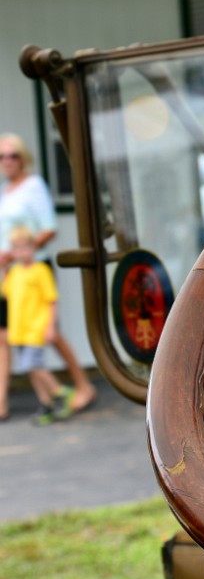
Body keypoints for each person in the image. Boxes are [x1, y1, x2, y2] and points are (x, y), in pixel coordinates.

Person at [0, 133, 95, 420]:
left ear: (23, 157)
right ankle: (2, 402)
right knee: (4, 335)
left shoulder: (33, 186)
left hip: (34, 269)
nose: (7, 161)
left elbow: (48, 227)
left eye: (12, 155)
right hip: (10, 276)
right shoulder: (5, 190)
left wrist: (22, 253)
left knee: (49, 332)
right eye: (1, 156)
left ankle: (83, 385)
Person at [2, 226, 75, 424]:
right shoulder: (14, 273)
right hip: (19, 331)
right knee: (31, 369)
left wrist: (50, 326)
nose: (22, 252)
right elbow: (6, 293)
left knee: (33, 364)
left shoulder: (41, 271)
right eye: (17, 248)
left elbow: (51, 300)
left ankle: (60, 391)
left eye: (26, 247)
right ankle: (46, 403)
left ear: (33, 248)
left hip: (35, 328)